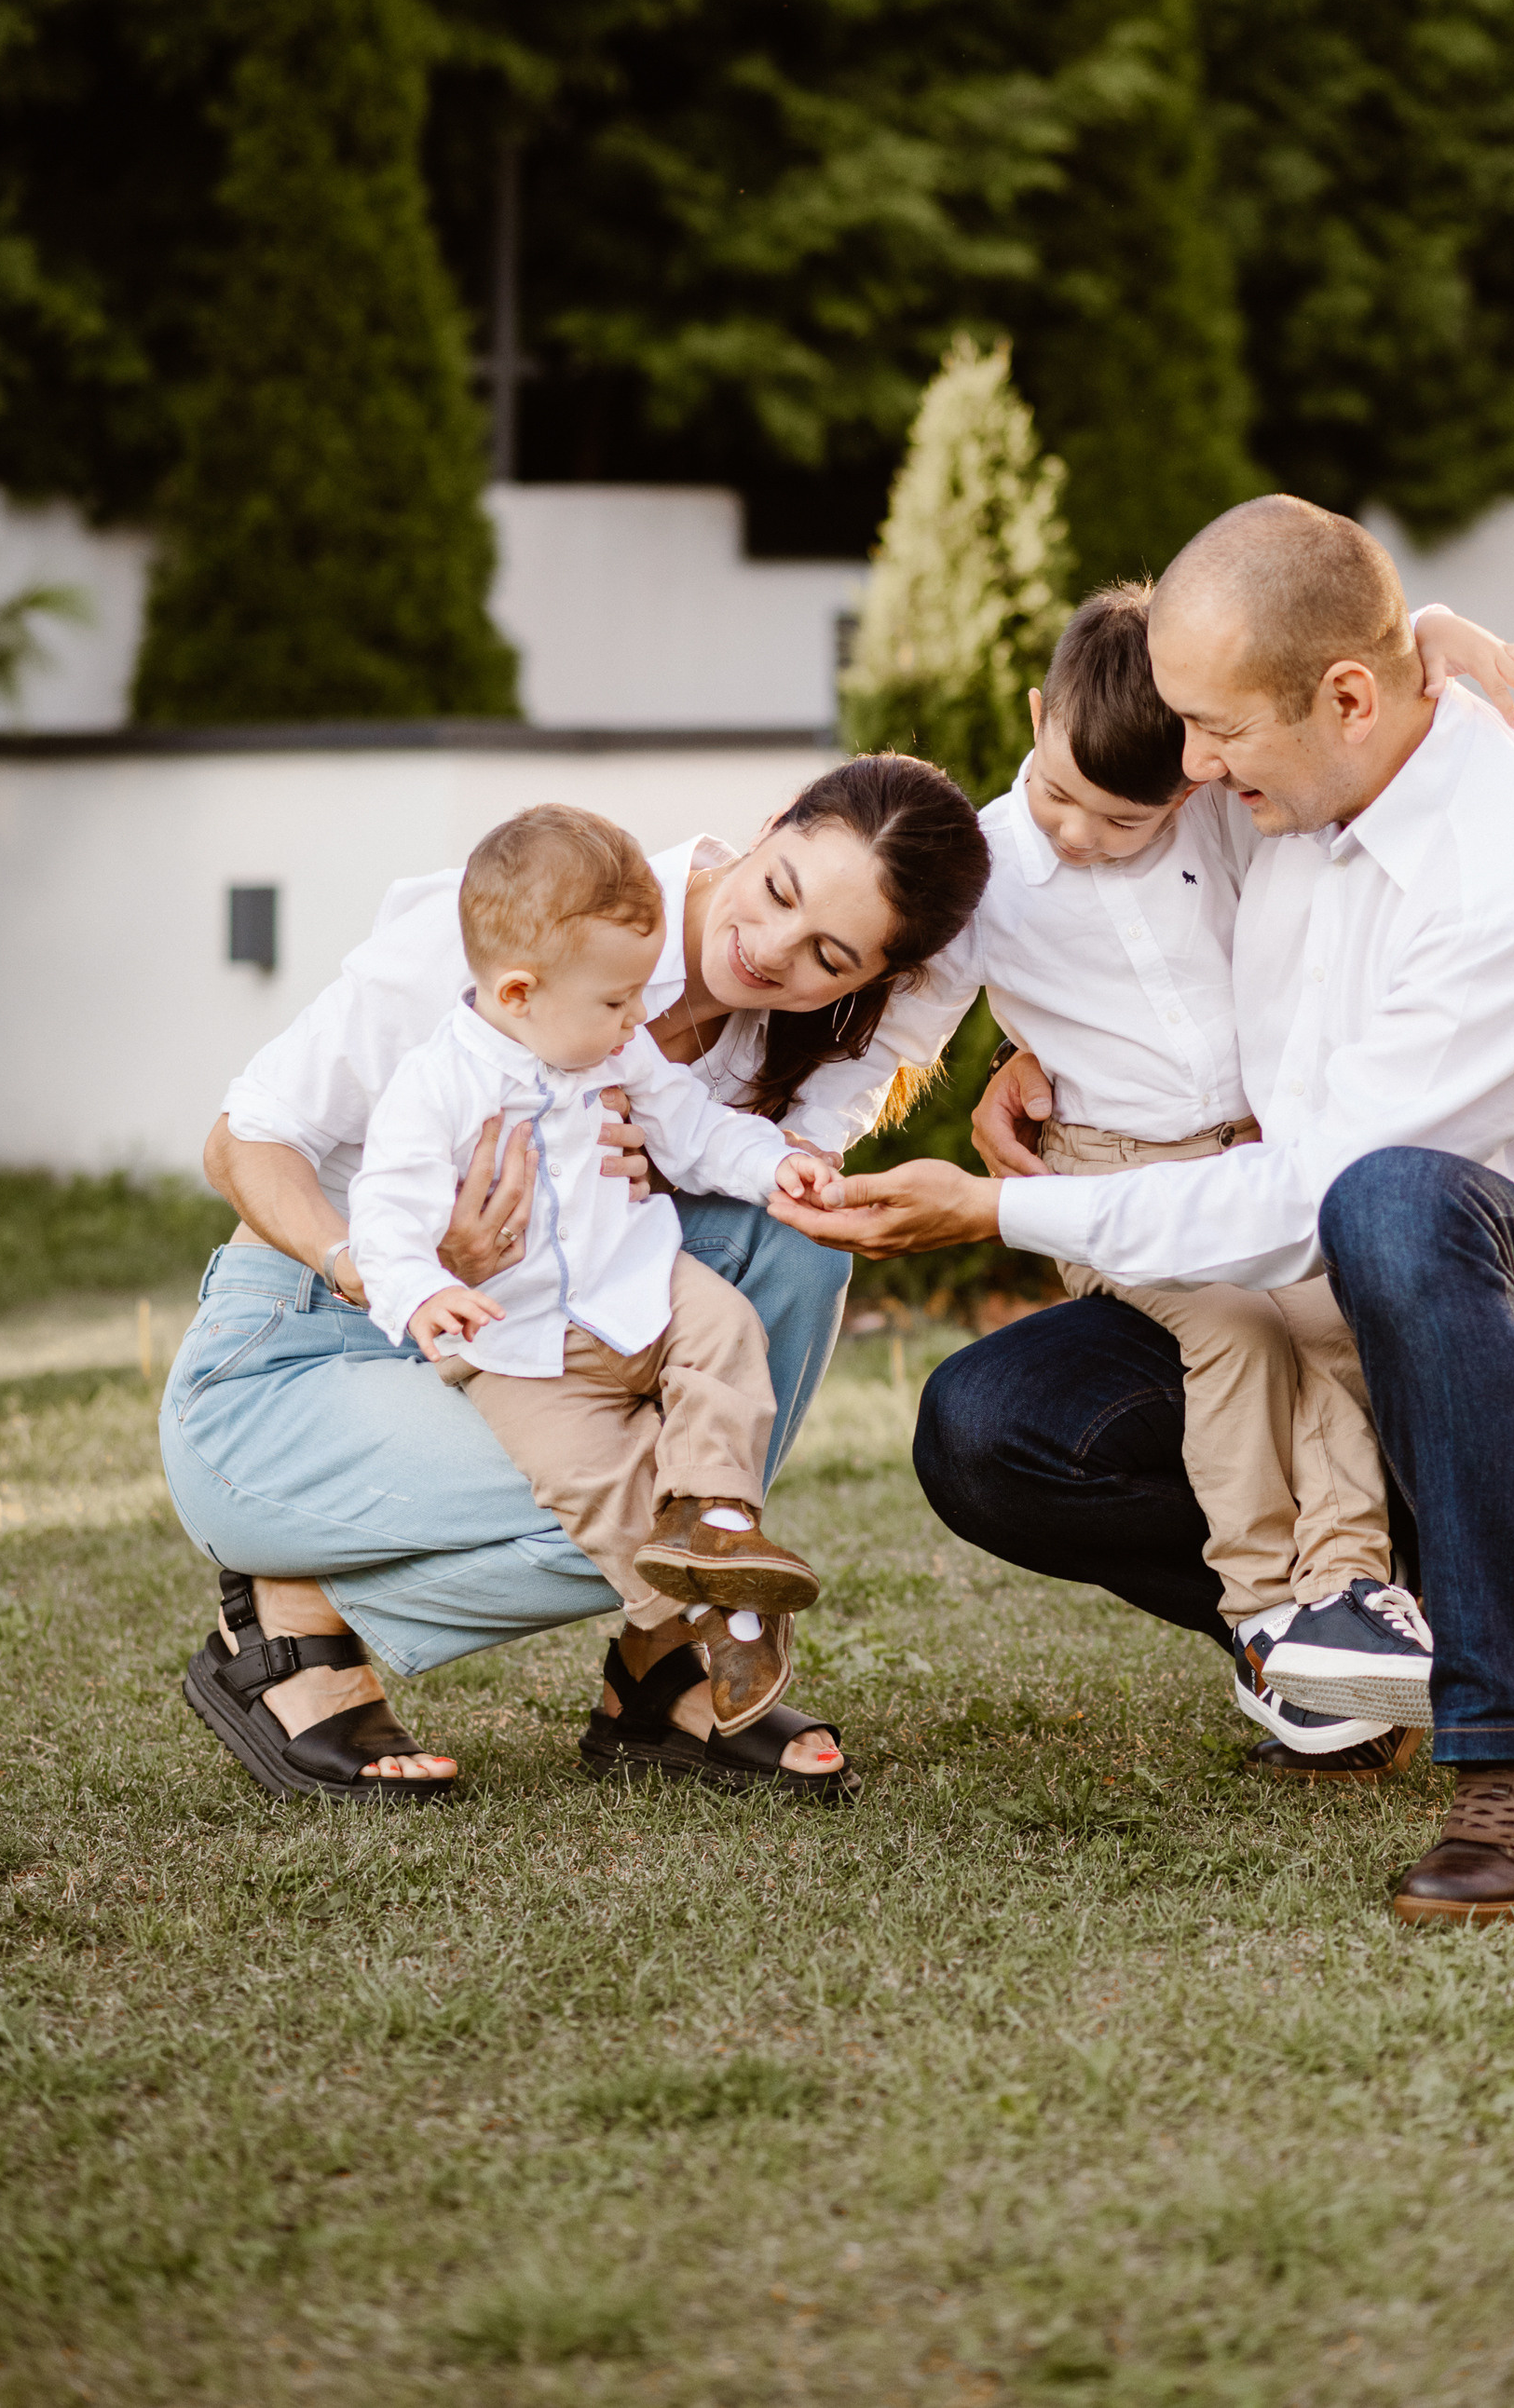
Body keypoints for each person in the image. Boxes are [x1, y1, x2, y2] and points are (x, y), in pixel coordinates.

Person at [771, 498, 1514, 1919]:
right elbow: (1302, 606)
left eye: (1214, 737)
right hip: (1331, 1306)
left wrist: (994, 1212)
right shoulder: (1297, 774)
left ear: (1347, 701)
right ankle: (1333, 1648)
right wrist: (1057, 1060)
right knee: (988, 1429)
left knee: (1389, 1199)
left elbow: (1309, 1196)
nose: (1191, 767)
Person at [162, 753, 989, 1800]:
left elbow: (932, 991)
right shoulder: (530, 922)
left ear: (869, 978)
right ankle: (293, 1616)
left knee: (785, 1247)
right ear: (770, 821)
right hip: (299, 1348)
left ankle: (665, 1663)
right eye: (778, 887)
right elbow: (245, 1140)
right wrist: (389, 1268)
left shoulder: (761, 1049)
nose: (772, 950)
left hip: (530, 1341)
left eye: (829, 954)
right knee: (636, 1511)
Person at [852, 585, 1514, 1765]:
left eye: (1123, 819)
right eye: (1061, 794)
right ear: (1036, 718)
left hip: (1252, 1148)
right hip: (1102, 1171)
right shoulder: (987, 867)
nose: (1080, 832)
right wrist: (814, 1142)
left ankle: (1351, 1593)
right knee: (1234, 1330)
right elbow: (901, 1026)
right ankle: (1261, 1617)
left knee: (1337, 1318)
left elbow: (1322, 660)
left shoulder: (1226, 819)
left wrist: (1433, 630)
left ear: (1188, 782)